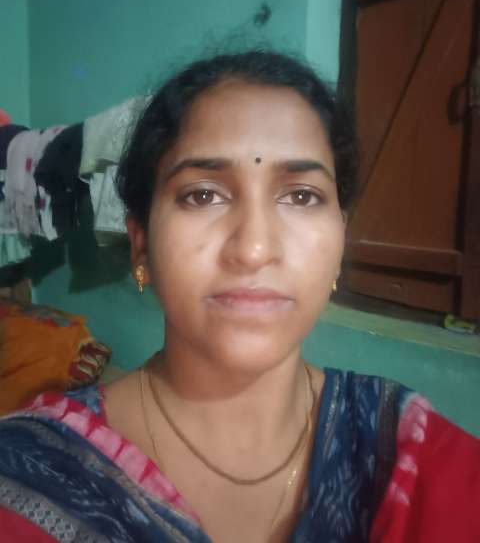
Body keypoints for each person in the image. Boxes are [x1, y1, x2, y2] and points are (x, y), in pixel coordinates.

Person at [0, 50, 479, 543]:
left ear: (340, 237)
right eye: (202, 194)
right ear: (141, 243)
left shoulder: (413, 455)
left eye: (301, 195)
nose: (253, 250)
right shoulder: (29, 479)